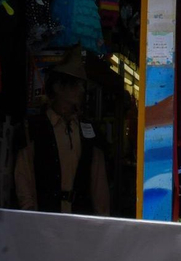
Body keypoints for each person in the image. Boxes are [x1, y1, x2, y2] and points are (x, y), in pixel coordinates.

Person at [14, 47, 111, 215]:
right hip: (44, 219)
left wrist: (102, 221)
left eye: (82, 85)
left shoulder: (89, 132)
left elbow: (98, 183)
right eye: (76, 84)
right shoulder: (33, 128)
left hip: (81, 220)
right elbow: (24, 175)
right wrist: (28, 214)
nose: (81, 90)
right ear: (58, 87)